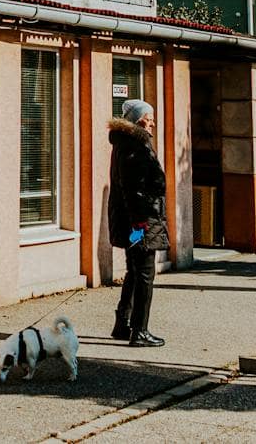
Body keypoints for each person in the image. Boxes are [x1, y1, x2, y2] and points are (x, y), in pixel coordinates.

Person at [108, 98, 168, 347]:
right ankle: (139, 331)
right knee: (144, 273)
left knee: (134, 270)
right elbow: (134, 188)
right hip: (140, 222)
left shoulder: (125, 143)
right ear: (137, 119)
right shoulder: (136, 145)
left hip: (134, 221)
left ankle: (123, 323)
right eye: (149, 117)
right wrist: (141, 221)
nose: (152, 122)